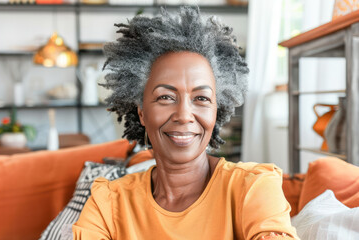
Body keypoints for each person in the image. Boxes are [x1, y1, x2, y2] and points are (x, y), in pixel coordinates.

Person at [73, 6, 299, 240]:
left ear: (216, 111)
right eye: (165, 97)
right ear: (141, 113)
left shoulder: (252, 187)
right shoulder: (109, 201)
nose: (184, 114)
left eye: (201, 98)